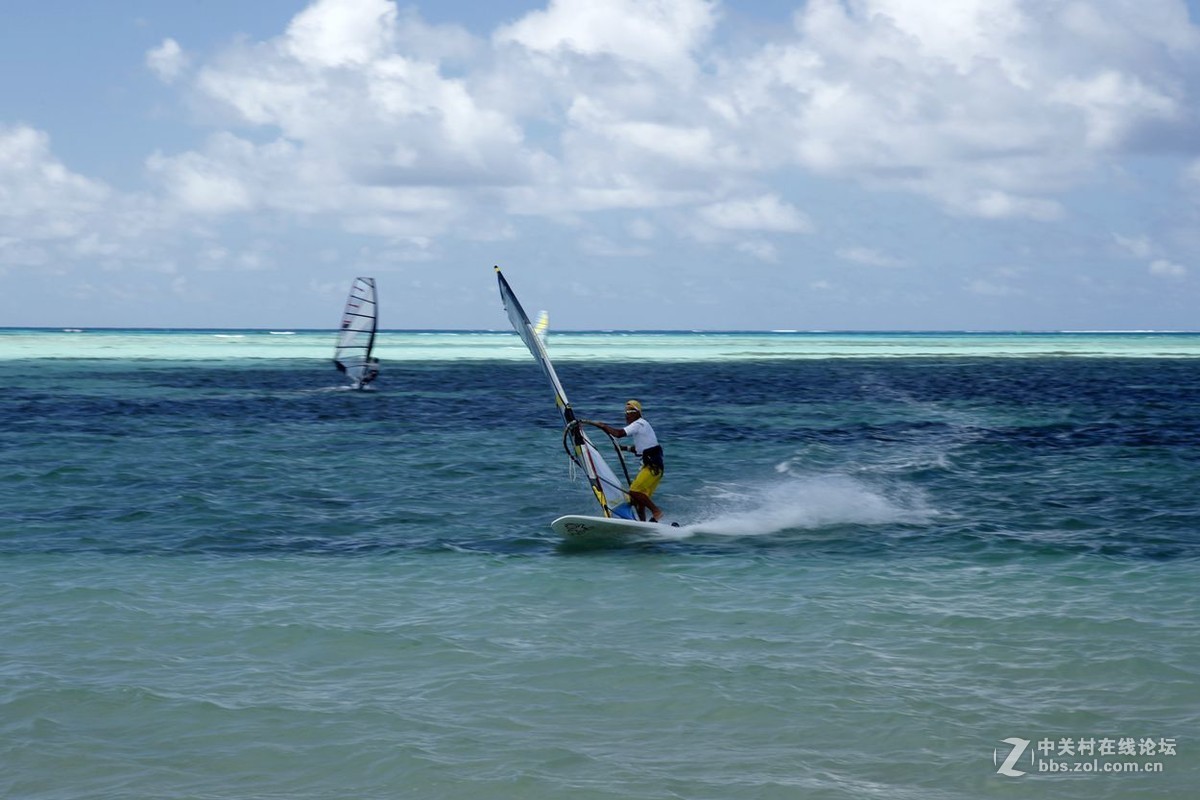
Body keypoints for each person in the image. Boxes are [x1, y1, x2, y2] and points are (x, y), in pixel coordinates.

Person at [582, 399, 665, 522]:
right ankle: (642, 523)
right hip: (652, 467)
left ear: (638, 413)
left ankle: (656, 511)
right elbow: (640, 449)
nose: (627, 414)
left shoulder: (639, 424)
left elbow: (619, 433)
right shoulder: (642, 427)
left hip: (653, 467)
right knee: (637, 499)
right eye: (626, 411)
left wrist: (603, 426)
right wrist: (624, 448)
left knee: (634, 492)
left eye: (631, 411)